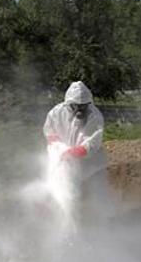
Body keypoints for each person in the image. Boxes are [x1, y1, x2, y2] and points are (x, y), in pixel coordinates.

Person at [43, 81, 110, 224]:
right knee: (66, 194)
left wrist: (74, 152)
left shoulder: (95, 116)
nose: (80, 110)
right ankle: (65, 222)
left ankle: (102, 222)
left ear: (89, 104)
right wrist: (56, 144)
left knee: (97, 193)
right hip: (65, 160)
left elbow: (92, 143)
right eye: (76, 106)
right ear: (68, 104)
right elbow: (50, 132)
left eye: (83, 107)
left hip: (91, 163)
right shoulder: (56, 113)